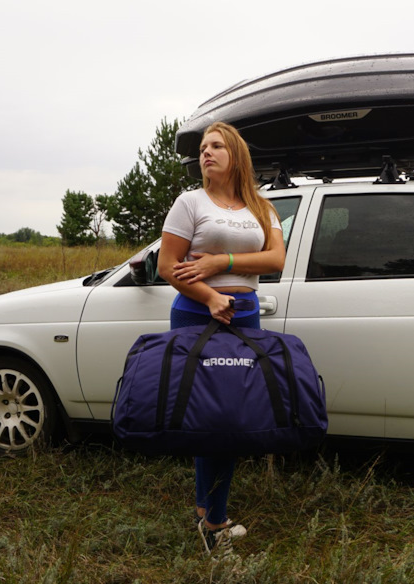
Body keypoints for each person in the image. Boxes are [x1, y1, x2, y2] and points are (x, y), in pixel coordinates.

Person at [158, 121, 285, 555]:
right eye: (203, 148)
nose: (205, 153)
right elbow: (166, 266)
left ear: (236, 155)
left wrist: (221, 262)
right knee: (208, 415)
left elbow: (275, 259)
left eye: (216, 146)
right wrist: (210, 295)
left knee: (229, 414)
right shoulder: (189, 202)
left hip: (246, 315)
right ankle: (214, 523)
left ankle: (203, 508)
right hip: (195, 311)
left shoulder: (261, 207)